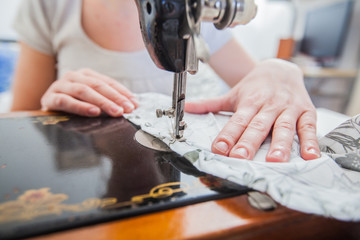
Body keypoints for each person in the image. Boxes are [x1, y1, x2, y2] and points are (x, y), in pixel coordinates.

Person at [10, 0, 320, 162]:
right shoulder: (49, 6)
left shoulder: (195, 10)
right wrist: (50, 103)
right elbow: (15, 129)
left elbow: (256, 81)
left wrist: (281, 70)